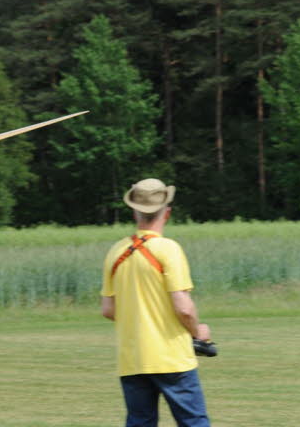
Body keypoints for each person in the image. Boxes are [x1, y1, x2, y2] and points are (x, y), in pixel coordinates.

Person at [100, 179, 211, 427]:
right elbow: (183, 307)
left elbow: (108, 309)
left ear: (134, 211)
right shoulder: (168, 249)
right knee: (193, 422)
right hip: (171, 356)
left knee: (140, 422)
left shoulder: (116, 251)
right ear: (167, 213)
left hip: (132, 359)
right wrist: (199, 333)